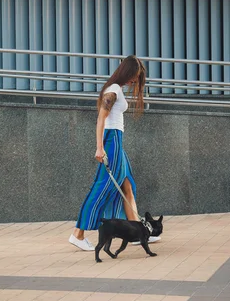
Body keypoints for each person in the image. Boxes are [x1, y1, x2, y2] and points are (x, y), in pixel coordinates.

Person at [69, 55, 161, 251]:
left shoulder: (116, 89)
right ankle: (78, 234)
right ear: (125, 72)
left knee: (128, 185)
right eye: (133, 76)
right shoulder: (112, 91)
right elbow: (101, 119)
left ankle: (137, 233)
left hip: (117, 142)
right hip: (111, 142)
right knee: (101, 189)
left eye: (136, 77)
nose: (134, 80)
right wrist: (100, 148)